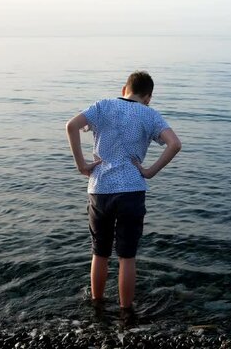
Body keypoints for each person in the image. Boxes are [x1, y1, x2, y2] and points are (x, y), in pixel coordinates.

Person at [65, 71, 181, 326]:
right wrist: (149, 171)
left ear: (124, 89)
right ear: (148, 97)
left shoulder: (103, 106)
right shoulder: (150, 114)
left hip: (100, 189)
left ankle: (97, 305)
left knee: (100, 252)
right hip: (132, 190)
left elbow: (71, 126)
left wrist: (81, 165)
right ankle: (125, 312)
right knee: (127, 256)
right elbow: (174, 144)